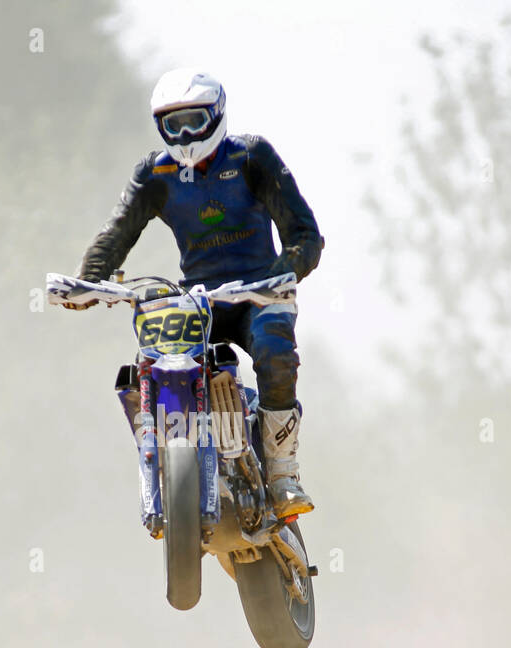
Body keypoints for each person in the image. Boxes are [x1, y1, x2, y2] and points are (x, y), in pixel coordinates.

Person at [67, 68, 324, 518]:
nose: (185, 134)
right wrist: (87, 281)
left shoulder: (251, 156)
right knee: (156, 355)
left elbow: (304, 234)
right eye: (173, 123)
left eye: (194, 121)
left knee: (274, 349)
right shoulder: (155, 173)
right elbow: (116, 234)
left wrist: (285, 273)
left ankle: (283, 474)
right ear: (159, 126)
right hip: (199, 300)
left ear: (218, 115)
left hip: (261, 292)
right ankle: (171, 456)